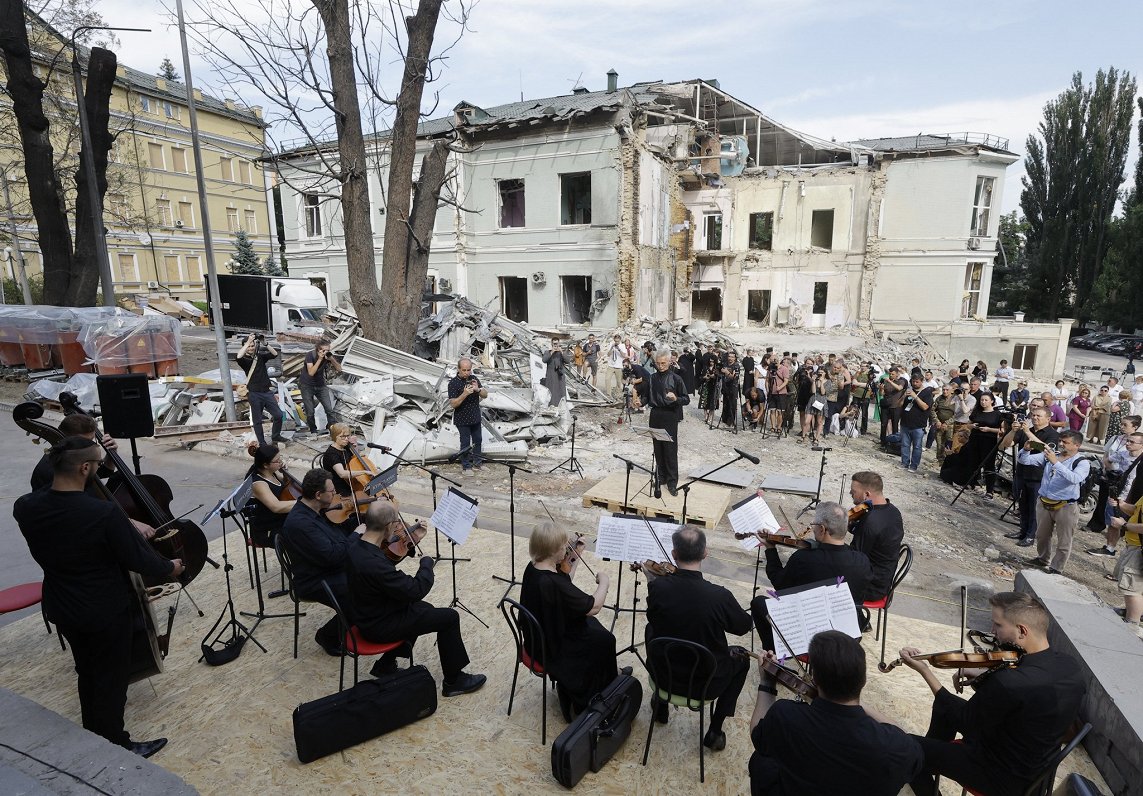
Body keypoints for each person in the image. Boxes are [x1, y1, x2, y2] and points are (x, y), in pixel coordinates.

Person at [13, 436, 184, 758]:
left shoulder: (25, 507)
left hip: (62, 603)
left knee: (87, 670)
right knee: (111, 677)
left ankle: (94, 729)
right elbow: (139, 560)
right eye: (97, 465)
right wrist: (169, 568)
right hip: (103, 607)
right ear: (85, 468)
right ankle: (115, 743)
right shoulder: (102, 513)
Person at [902, 592, 1086, 796]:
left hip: (998, 776)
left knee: (905, 749)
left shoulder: (1009, 682)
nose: (992, 631)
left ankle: (922, 764)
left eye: (998, 625)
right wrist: (985, 675)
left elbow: (966, 721)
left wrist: (925, 671)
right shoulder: (1070, 667)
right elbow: (1024, 699)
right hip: (1036, 773)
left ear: (1022, 631)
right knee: (944, 709)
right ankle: (930, 759)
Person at [748, 631, 923, 796]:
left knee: (760, 761)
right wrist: (859, 704)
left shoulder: (785, 715)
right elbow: (904, 737)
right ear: (863, 680)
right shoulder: (896, 747)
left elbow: (757, 733)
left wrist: (767, 682)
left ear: (815, 678)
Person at [347, 501, 486, 695]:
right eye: (396, 522)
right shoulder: (375, 565)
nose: (398, 526)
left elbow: (383, 570)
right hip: (378, 626)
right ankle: (454, 681)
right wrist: (426, 564)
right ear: (388, 526)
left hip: (366, 613)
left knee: (425, 609)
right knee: (449, 617)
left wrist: (413, 539)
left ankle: (385, 665)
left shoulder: (355, 545)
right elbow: (415, 589)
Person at [646, 526, 753, 752]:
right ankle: (715, 730)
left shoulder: (658, 587)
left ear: (674, 554)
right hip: (704, 683)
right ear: (705, 553)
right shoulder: (719, 596)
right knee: (742, 658)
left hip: (665, 675)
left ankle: (661, 703)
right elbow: (744, 627)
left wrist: (652, 583)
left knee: (651, 629)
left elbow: (655, 615)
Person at [520, 521, 616, 720]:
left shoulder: (533, 568)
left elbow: (564, 578)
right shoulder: (552, 582)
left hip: (537, 638)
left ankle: (602, 674)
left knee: (597, 634)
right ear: (554, 550)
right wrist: (604, 582)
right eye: (564, 546)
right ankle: (591, 692)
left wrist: (576, 555)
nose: (567, 547)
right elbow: (593, 607)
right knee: (605, 640)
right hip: (552, 647)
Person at [751, 502, 872, 649]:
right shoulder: (862, 561)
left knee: (758, 603)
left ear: (822, 529)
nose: (813, 528)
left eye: (814, 524)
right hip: (848, 635)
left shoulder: (803, 559)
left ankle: (773, 659)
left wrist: (770, 549)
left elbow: (779, 584)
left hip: (810, 636)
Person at [29, 414, 157, 540]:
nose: (90, 446)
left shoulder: (74, 458)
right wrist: (126, 522)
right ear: (66, 439)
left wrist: (111, 455)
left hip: (90, 518)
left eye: (92, 440)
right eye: (85, 442)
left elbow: (101, 474)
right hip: (73, 533)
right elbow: (76, 509)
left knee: (119, 478)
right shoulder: (51, 470)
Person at [280, 468, 354, 656]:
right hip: (314, 580)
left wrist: (358, 522)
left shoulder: (317, 510)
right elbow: (333, 556)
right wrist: (356, 537)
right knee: (364, 591)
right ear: (318, 494)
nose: (336, 494)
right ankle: (327, 636)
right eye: (332, 491)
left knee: (371, 574)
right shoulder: (301, 524)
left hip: (326, 568)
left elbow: (337, 536)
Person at [1018, 430, 1090, 574]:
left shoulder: (1082, 462)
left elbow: (1075, 478)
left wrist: (1055, 463)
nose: (1061, 444)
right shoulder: (1053, 455)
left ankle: (1057, 568)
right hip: (1044, 501)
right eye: (1060, 441)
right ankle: (1042, 559)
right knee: (1042, 535)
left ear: (1077, 445)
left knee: (1064, 540)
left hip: (1066, 505)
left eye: (1066, 442)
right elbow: (1025, 461)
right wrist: (1026, 450)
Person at [1001, 407, 1061, 547]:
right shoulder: (1025, 430)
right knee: (1022, 505)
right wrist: (1013, 430)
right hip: (1022, 472)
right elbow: (1007, 444)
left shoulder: (1052, 434)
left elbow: (1045, 449)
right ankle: (1023, 530)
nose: (1035, 418)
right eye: (1033, 415)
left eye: (1039, 416)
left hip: (1038, 476)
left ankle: (1030, 535)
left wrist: (1027, 432)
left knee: (1034, 507)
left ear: (1048, 418)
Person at [847, 472, 904, 603]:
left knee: (821, 573)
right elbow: (875, 539)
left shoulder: (870, 520)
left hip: (870, 587)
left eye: (853, 492)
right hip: (884, 580)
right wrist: (853, 527)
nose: (851, 494)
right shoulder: (893, 511)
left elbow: (855, 560)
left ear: (867, 495)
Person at [1086, 424, 1142, 553]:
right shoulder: (1123, 454)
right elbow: (1107, 459)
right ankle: (1110, 548)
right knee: (1113, 521)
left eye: (1132, 442)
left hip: (1136, 498)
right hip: (1120, 494)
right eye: (1128, 441)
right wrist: (1113, 472)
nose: (1128, 443)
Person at [647, 350, 689, 496]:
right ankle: (661, 477)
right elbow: (647, 396)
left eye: (663, 363)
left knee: (670, 450)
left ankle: (672, 482)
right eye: (658, 363)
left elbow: (686, 399)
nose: (660, 366)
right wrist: (640, 401)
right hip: (655, 414)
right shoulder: (652, 377)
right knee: (657, 448)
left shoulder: (676, 378)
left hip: (670, 415)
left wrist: (676, 398)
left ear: (670, 362)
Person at [1106, 472, 1143, 631]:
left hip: (1138, 549)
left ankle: (1132, 624)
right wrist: (1120, 504)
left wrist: (1124, 525)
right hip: (1133, 545)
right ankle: (1133, 612)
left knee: (1132, 589)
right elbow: (1136, 510)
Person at [244, 442, 297, 546]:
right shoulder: (258, 484)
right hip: (267, 530)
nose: (280, 462)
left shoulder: (271, 473)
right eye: (277, 461)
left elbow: (286, 485)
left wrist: (285, 472)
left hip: (280, 520)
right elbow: (276, 507)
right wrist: (303, 502)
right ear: (265, 465)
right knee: (303, 534)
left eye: (280, 458)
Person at [236, 332, 285, 445]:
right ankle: (262, 443)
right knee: (257, 420)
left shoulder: (260, 357)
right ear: (244, 347)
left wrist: (265, 343)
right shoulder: (244, 361)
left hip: (267, 392)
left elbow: (274, 354)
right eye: (249, 346)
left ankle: (276, 436)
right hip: (254, 393)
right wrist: (248, 341)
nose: (251, 348)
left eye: (252, 346)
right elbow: (238, 356)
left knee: (278, 415)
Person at [448, 357, 487, 474]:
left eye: (468, 370)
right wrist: (464, 394)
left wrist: (478, 389)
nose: (466, 373)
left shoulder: (474, 379)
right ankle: (466, 466)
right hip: (462, 419)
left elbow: (485, 395)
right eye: (464, 370)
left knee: (478, 440)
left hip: (475, 416)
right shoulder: (453, 383)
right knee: (465, 443)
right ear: (458, 369)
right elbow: (453, 404)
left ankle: (478, 463)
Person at [965, 392, 1005, 498]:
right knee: (973, 462)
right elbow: (968, 425)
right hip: (975, 439)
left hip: (989, 442)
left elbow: (1002, 430)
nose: (983, 402)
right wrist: (972, 426)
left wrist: (989, 429)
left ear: (992, 401)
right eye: (982, 400)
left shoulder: (997, 414)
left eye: (986, 400)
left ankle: (989, 491)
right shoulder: (977, 412)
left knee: (989, 465)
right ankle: (971, 484)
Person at [297, 340, 341, 437]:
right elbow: (311, 373)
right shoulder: (310, 355)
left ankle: (333, 431)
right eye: (324, 350)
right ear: (318, 350)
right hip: (306, 385)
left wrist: (331, 359)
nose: (326, 352)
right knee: (310, 411)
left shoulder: (327, 356)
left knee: (329, 409)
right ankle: (313, 430)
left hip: (321, 385)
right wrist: (320, 359)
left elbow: (339, 369)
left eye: (328, 350)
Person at [899, 374, 933, 472]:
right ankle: (904, 463)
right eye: (913, 381)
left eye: (917, 382)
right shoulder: (909, 391)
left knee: (917, 446)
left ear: (922, 381)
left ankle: (914, 465)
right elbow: (900, 405)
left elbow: (925, 407)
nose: (914, 383)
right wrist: (903, 396)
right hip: (905, 423)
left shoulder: (927, 393)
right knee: (905, 445)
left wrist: (915, 397)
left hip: (918, 425)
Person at [929, 383, 957, 461]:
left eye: (947, 390)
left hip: (950, 426)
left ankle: (947, 460)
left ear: (951, 390)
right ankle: (939, 460)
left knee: (949, 443)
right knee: (939, 443)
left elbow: (957, 414)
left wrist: (947, 423)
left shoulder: (955, 399)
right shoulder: (939, 399)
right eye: (943, 390)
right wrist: (937, 421)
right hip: (939, 424)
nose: (945, 391)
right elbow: (932, 410)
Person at [879, 365, 907, 443]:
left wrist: (890, 381)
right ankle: (883, 441)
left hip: (895, 406)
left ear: (897, 374)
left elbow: (899, 388)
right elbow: (881, 394)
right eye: (890, 374)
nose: (891, 376)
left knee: (895, 425)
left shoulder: (901, 381)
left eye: (892, 374)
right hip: (886, 404)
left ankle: (894, 442)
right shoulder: (886, 381)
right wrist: (881, 389)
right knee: (883, 424)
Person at [542, 339, 568, 406]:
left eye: (557, 344)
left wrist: (562, 352)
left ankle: (562, 405)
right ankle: (551, 405)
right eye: (554, 344)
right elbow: (544, 360)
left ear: (559, 344)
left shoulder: (561, 352)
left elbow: (567, 361)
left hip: (560, 375)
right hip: (551, 375)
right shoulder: (547, 352)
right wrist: (552, 352)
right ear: (552, 344)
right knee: (551, 390)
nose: (556, 345)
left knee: (560, 390)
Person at [719, 350, 741, 429]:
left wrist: (727, 372)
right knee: (725, 404)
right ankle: (724, 421)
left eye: (732, 357)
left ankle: (731, 422)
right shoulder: (725, 364)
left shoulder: (736, 366)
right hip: (725, 386)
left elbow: (735, 377)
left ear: (735, 358)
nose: (730, 358)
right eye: (729, 356)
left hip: (733, 387)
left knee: (732, 405)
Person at [698, 354, 720, 425]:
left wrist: (715, 376)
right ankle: (705, 416)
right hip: (706, 386)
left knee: (712, 402)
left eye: (713, 362)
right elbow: (700, 377)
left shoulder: (717, 369)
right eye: (710, 361)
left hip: (714, 387)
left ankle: (710, 416)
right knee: (705, 401)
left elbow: (719, 378)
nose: (711, 363)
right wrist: (704, 377)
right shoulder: (705, 368)